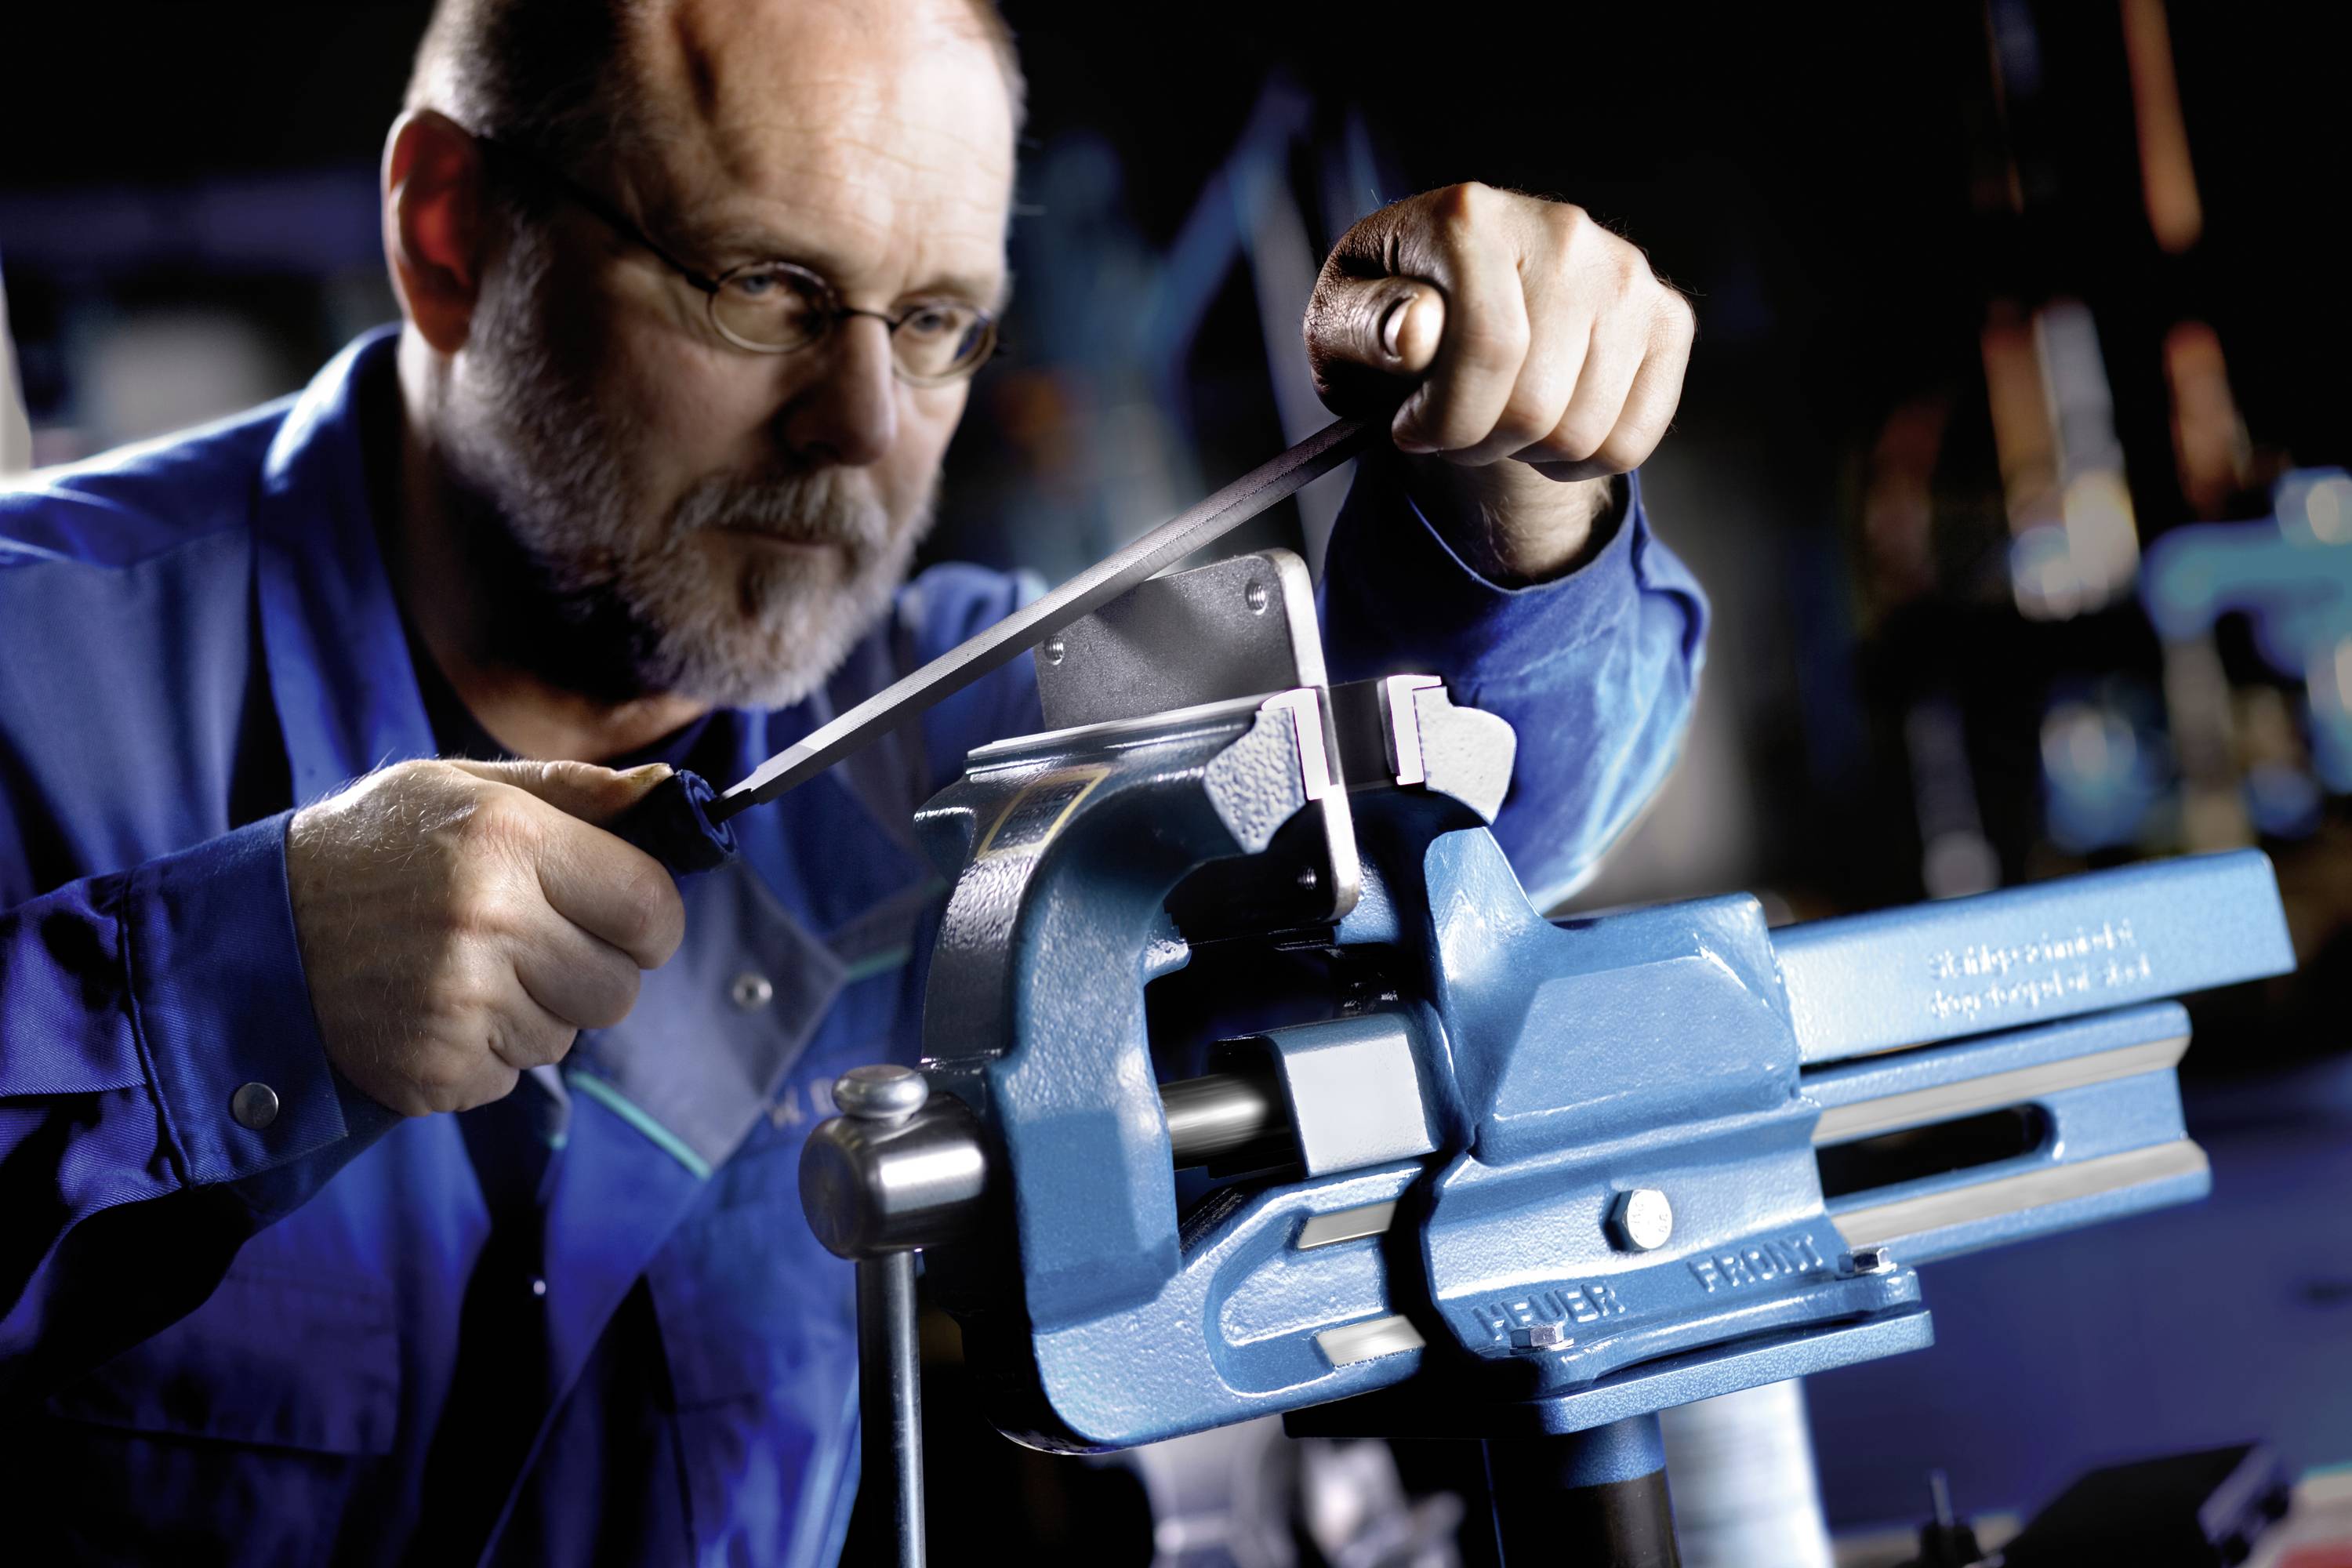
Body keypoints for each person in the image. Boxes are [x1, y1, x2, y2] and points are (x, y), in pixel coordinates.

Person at [0, 0, 1704, 1561]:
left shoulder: (957, 722)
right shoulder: (35, 681)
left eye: (941, 318)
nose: (866, 423)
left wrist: (1523, 506)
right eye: (763, 287)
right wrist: (222, 996)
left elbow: (1449, 866)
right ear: (452, 236)